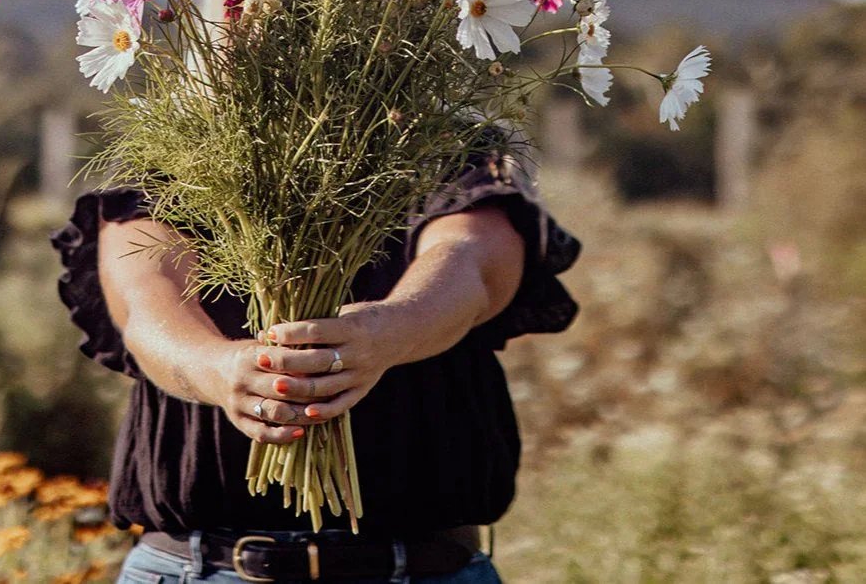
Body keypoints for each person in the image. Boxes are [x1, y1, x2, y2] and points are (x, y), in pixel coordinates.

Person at [52, 139, 581, 584]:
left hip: (422, 570)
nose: (257, 14)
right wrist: (219, 369)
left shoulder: (438, 143)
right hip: (200, 569)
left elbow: (468, 263)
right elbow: (146, 301)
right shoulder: (171, 153)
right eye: (231, 8)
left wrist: (387, 332)